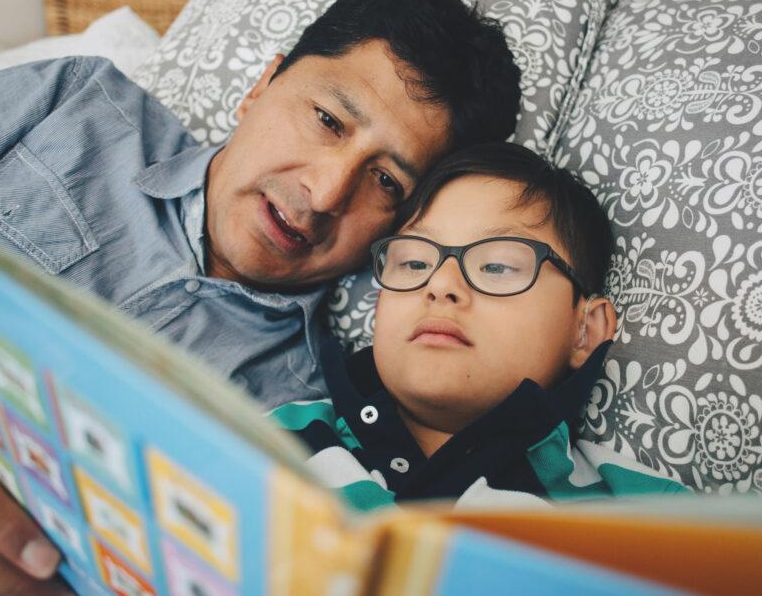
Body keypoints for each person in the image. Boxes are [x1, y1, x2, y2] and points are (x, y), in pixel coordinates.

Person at [0, 0, 521, 595]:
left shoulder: (299, 421)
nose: (321, 192)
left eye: (385, 182)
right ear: (262, 84)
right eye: (326, 119)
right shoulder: (73, 105)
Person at [272, 144, 689, 509]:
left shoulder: (644, 516)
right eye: (414, 262)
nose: (441, 285)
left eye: (496, 265)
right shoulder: (269, 440)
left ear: (585, 330)